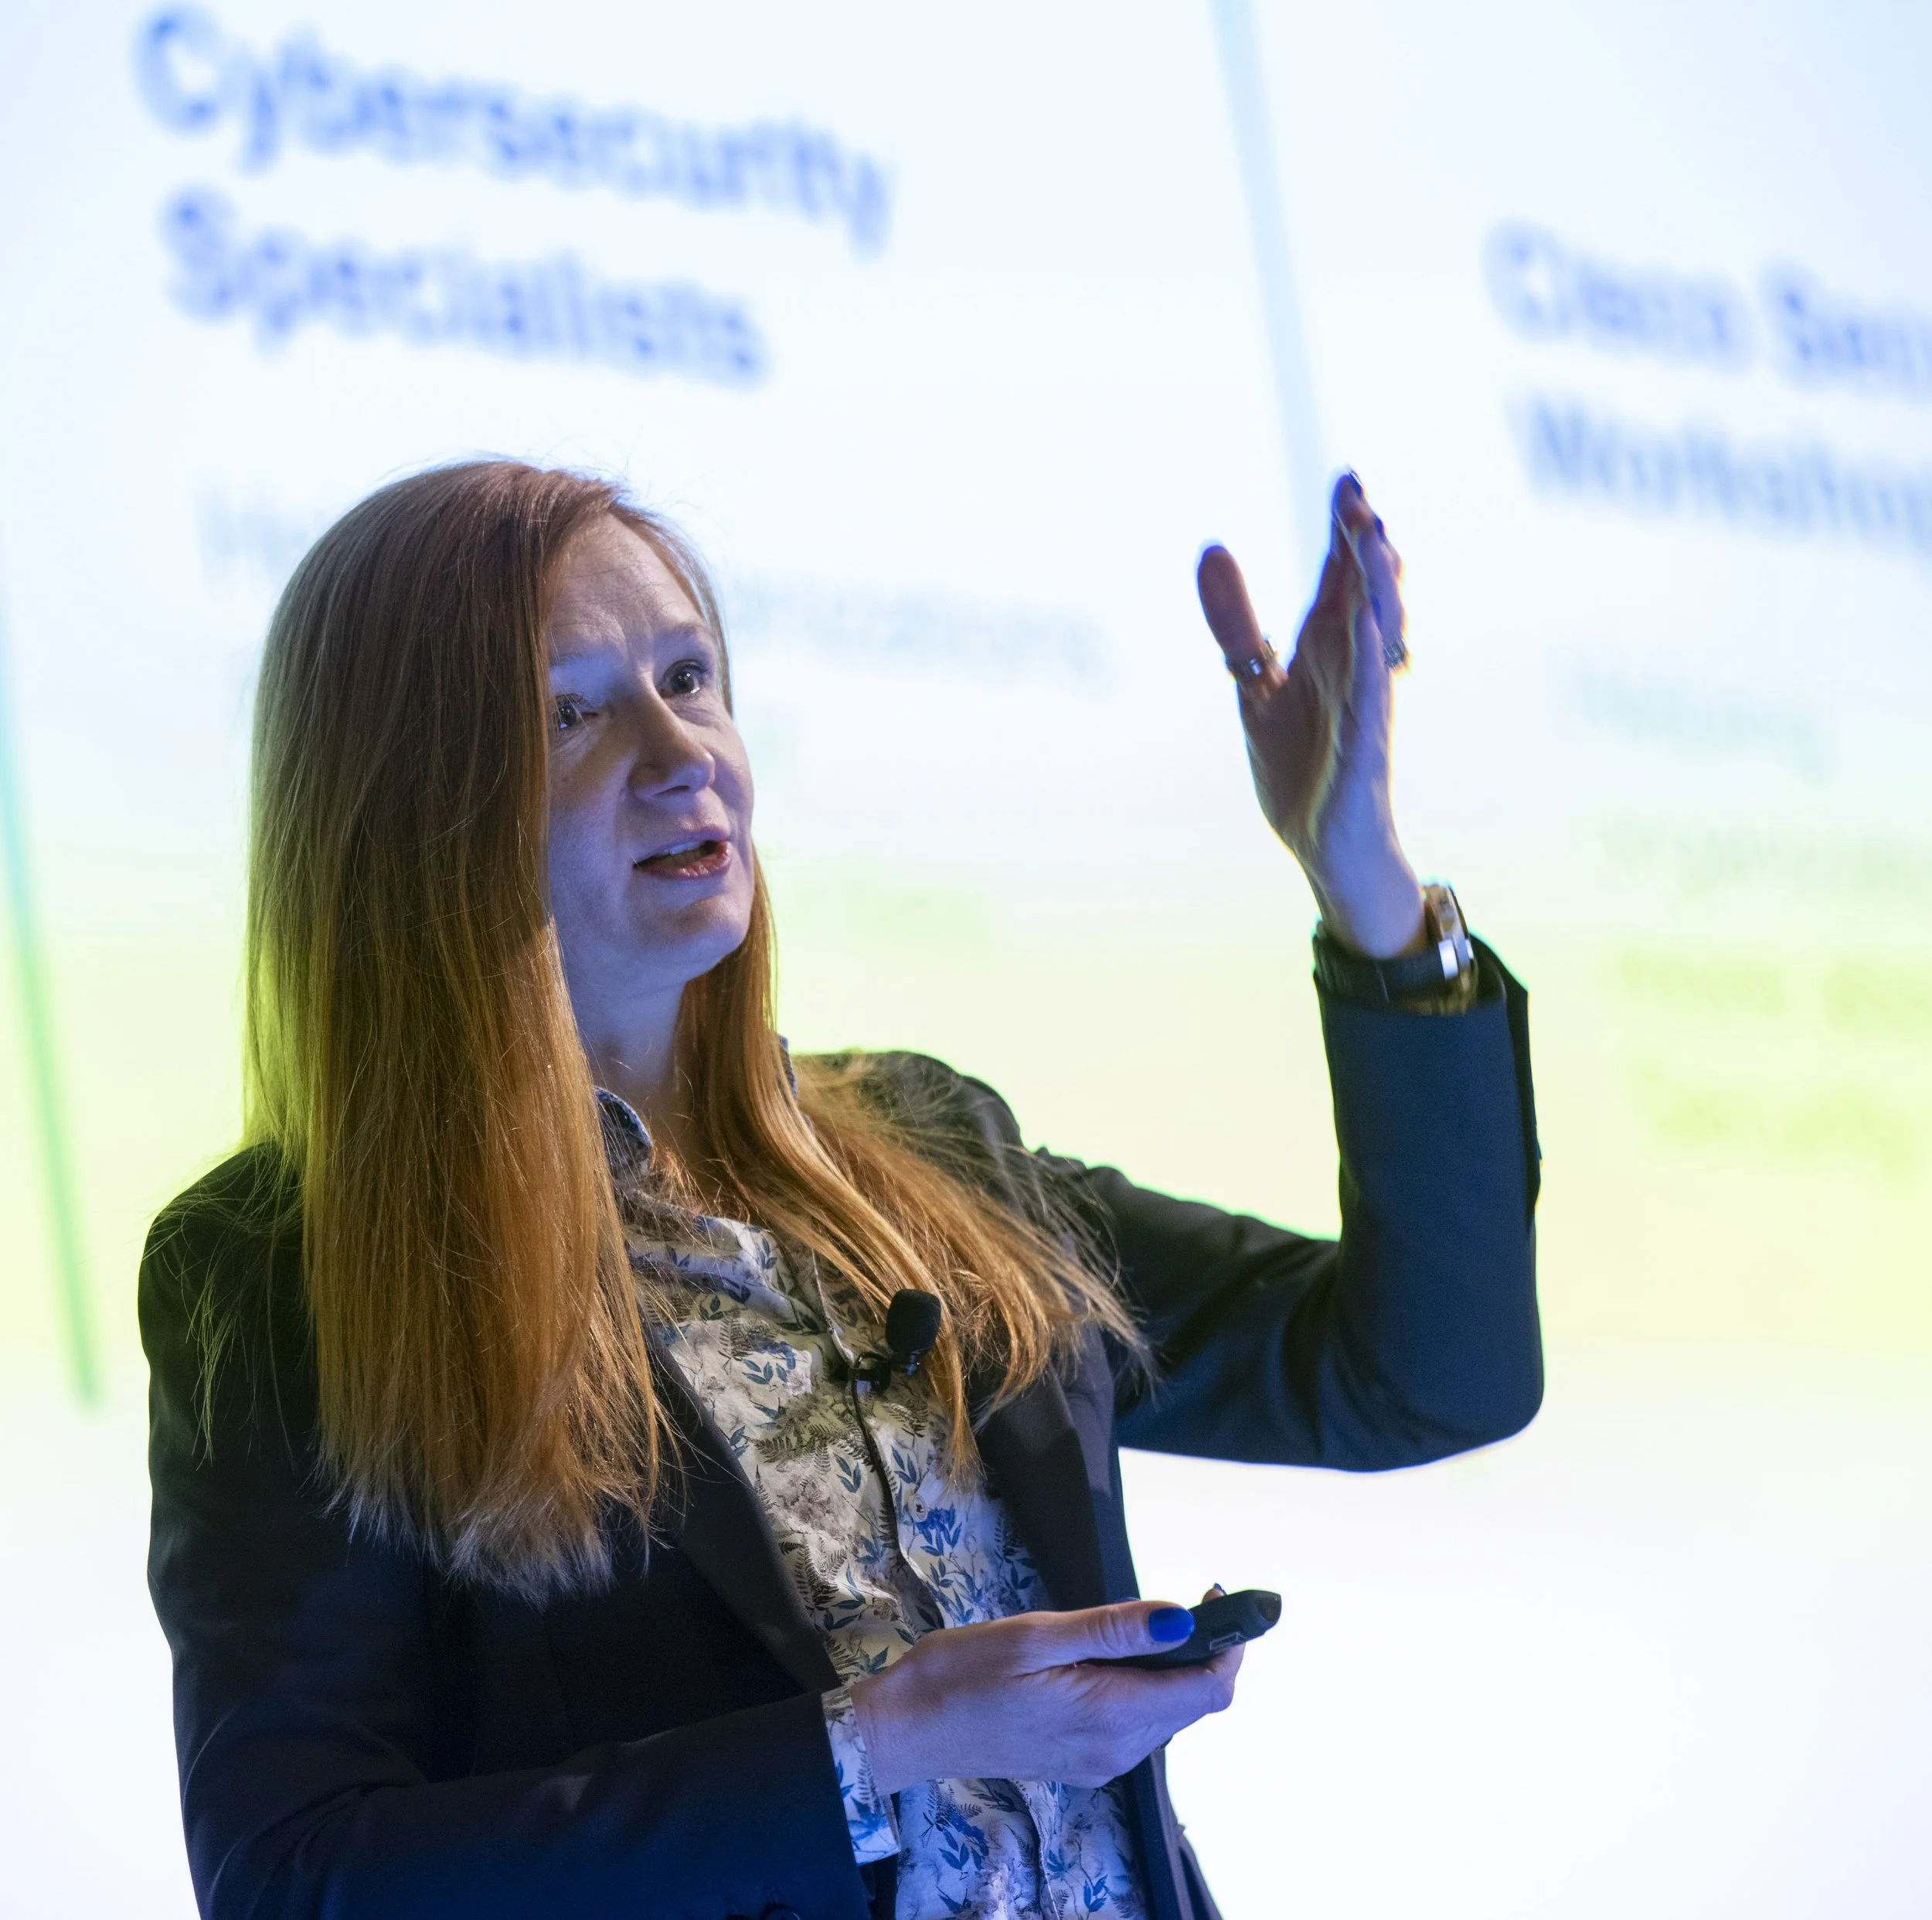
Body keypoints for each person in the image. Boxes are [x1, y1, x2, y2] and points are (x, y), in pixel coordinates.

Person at [142, 459, 1542, 1920]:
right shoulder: (283, 1266)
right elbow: (300, 1879)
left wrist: (1366, 891)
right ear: (407, 802)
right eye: (568, 712)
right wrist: (876, 1746)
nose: (678, 753)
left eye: (689, 676)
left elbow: (1427, 1373)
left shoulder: (926, 1146)